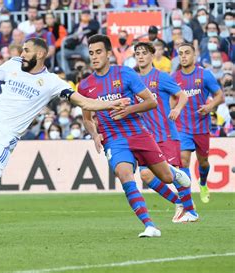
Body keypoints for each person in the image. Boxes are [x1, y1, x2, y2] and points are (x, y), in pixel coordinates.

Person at [0, 38, 131, 242]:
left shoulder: (52, 82)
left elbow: (85, 102)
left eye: (26, 50)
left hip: (2, 138)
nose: (21, 54)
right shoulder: (12, 65)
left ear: (40, 54)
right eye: (22, 50)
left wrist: (110, 105)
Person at [79, 35, 191, 238]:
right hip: (114, 139)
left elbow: (151, 102)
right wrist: (94, 134)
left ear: (109, 54)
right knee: (125, 175)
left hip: (138, 133)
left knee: (165, 177)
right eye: (91, 53)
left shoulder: (125, 73)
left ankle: (175, 174)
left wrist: (129, 109)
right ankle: (149, 225)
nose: (94, 57)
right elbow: (87, 117)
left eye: (98, 52)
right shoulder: (85, 86)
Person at [134, 42, 198, 223]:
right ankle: (180, 203)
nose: (140, 56)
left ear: (152, 56)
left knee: (173, 175)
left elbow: (183, 95)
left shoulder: (161, 77)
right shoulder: (135, 80)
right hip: (148, 138)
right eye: (137, 53)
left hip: (166, 135)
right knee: (146, 175)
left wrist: (177, 109)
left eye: (144, 53)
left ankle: (191, 212)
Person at [173, 43, 225, 203]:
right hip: (182, 128)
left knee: (203, 163)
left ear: (194, 56)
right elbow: (169, 100)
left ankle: (203, 183)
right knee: (183, 160)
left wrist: (210, 106)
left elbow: (220, 96)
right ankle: (187, 201)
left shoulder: (205, 75)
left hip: (201, 127)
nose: (183, 56)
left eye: (187, 53)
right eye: (180, 53)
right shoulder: (174, 78)